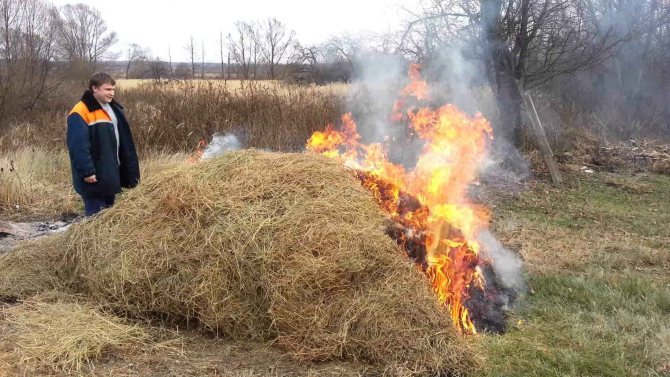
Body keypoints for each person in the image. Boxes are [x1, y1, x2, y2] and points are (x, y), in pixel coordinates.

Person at [66, 72, 140, 216]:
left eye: (113, 89)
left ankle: (103, 239)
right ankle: (91, 239)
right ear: (94, 88)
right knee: (95, 218)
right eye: (107, 89)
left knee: (107, 216)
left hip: (111, 171)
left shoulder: (114, 109)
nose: (111, 93)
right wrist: (87, 171)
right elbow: (78, 146)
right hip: (94, 175)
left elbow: (124, 142)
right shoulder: (80, 112)